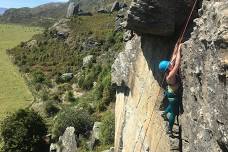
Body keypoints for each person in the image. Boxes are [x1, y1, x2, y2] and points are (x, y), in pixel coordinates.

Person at [159, 43, 182, 136]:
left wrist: (176, 46)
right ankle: (169, 129)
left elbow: (173, 57)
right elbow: (177, 64)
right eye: (169, 65)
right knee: (174, 112)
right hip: (173, 96)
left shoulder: (168, 69)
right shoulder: (170, 76)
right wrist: (180, 50)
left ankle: (164, 113)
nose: (170, 64)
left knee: (171, 106)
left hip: (170, 93)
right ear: (168, 68)